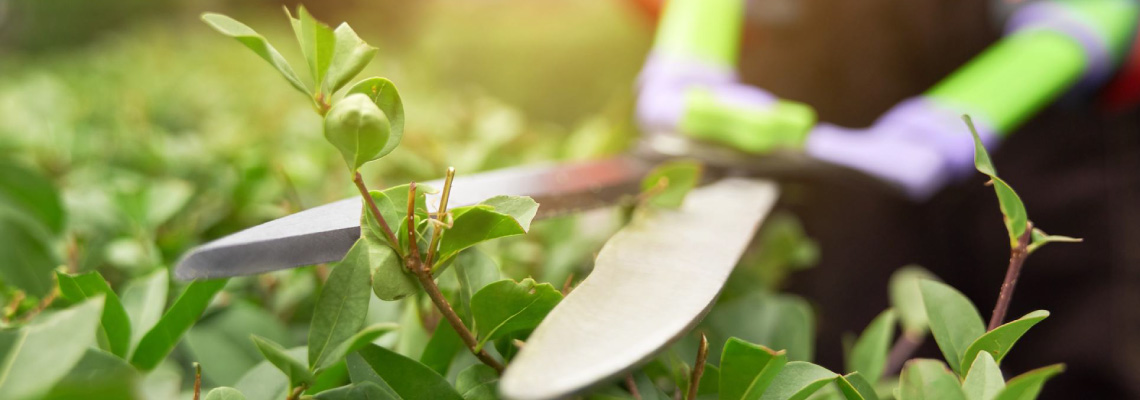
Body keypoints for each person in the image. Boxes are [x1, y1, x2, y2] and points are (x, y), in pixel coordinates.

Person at [633, 0, 1140, 397]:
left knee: (1073, 356)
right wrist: (688, 60)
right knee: (835, 344)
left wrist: (960, 115)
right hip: (818, 101)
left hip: (1051, 125)